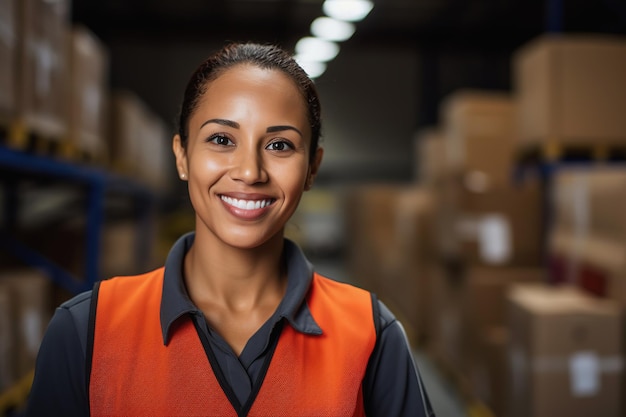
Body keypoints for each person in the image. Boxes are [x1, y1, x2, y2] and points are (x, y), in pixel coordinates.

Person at [25, 41, 435, 416]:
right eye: (221, 139)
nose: (249, 172)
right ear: (182, 156)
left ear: (312, 168)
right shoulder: (88, 331)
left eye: (279, 145)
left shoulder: (371, 334)